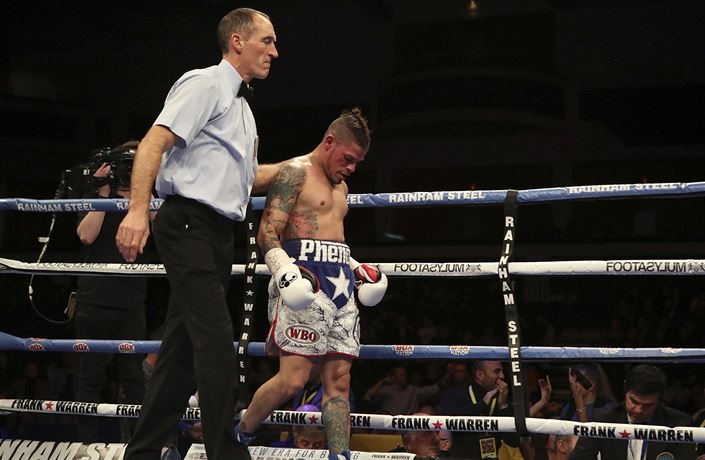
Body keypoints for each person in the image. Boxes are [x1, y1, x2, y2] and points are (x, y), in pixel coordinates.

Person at [116, 8, 283, 460]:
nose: (274, 51)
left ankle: (142, 452)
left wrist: (304, 165)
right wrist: (137, 211)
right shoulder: (205, 83)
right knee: (215, 342)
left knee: (180, 355)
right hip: (189, 223)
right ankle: (225, 452)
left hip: (218, 234)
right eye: (267, 41)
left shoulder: (243, 111)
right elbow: (154, 141)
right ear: (238, 42)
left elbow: (246, 179)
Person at [235, 108, 387, 460]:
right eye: (348, 158)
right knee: (293, 380)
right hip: (302, 282)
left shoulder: (342, 186)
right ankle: (241, 431)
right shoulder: (294, 173)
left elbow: (332, 241)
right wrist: (284, 271)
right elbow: (267, 232)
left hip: (340, 287)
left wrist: (357, 268)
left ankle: (339, 454)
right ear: (329, 142)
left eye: (357, 162)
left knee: (340, 382)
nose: (351, 168)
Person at [75, 141, 147, 443]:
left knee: (133, 378)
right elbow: (86, 235)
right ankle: (85, 444)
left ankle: (139, 444)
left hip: (131, 301)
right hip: (94, 298)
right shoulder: (95, 193)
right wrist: (103, 194)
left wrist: (144, 192)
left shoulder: (145, 202)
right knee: (90, 375)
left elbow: (155, 235)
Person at [569, 364, 696, 460]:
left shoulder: (679, 424)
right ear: (625, 393)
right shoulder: (603, 419)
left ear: (659, 401)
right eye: (634, 401)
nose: (639, 410)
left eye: (648, 405)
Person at [439, 360, 520, 459]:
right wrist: (483, 404)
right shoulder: (455, 394)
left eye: (502, 371)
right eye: (497, 371)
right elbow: (448, 420)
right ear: (480, 375)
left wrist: (503, 407)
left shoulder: (502, 396)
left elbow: (513, 442)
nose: (502, 376)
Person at [363, 364, 448, 415]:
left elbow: (434, 389)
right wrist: (382, 381)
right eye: (401, 375)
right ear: (393, 377)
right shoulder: (385, 390)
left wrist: (449, 373)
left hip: (407, 429)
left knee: (427, 409)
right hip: (389, 428)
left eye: (405, 375)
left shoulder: (412, 390)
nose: (404, 377)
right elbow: (367, 397)